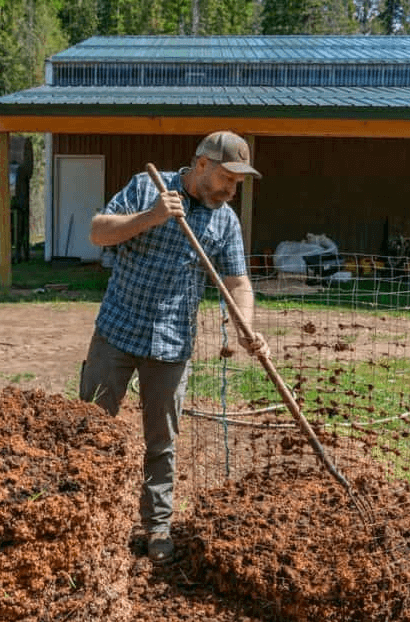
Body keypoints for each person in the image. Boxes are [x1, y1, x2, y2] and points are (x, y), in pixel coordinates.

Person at [79, 130, 268, 564]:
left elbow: (238, 282)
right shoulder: (148, 187)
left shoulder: (224, 221)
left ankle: (157, 528)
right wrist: (151, 216)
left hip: (171, 343)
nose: (232, 190)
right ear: (201, 165)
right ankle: (85, 516)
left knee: (161, 443)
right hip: (116, 331)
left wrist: (244, 326)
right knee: (91, 427)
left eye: (238, 183)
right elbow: (98, 232)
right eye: (227, 179)